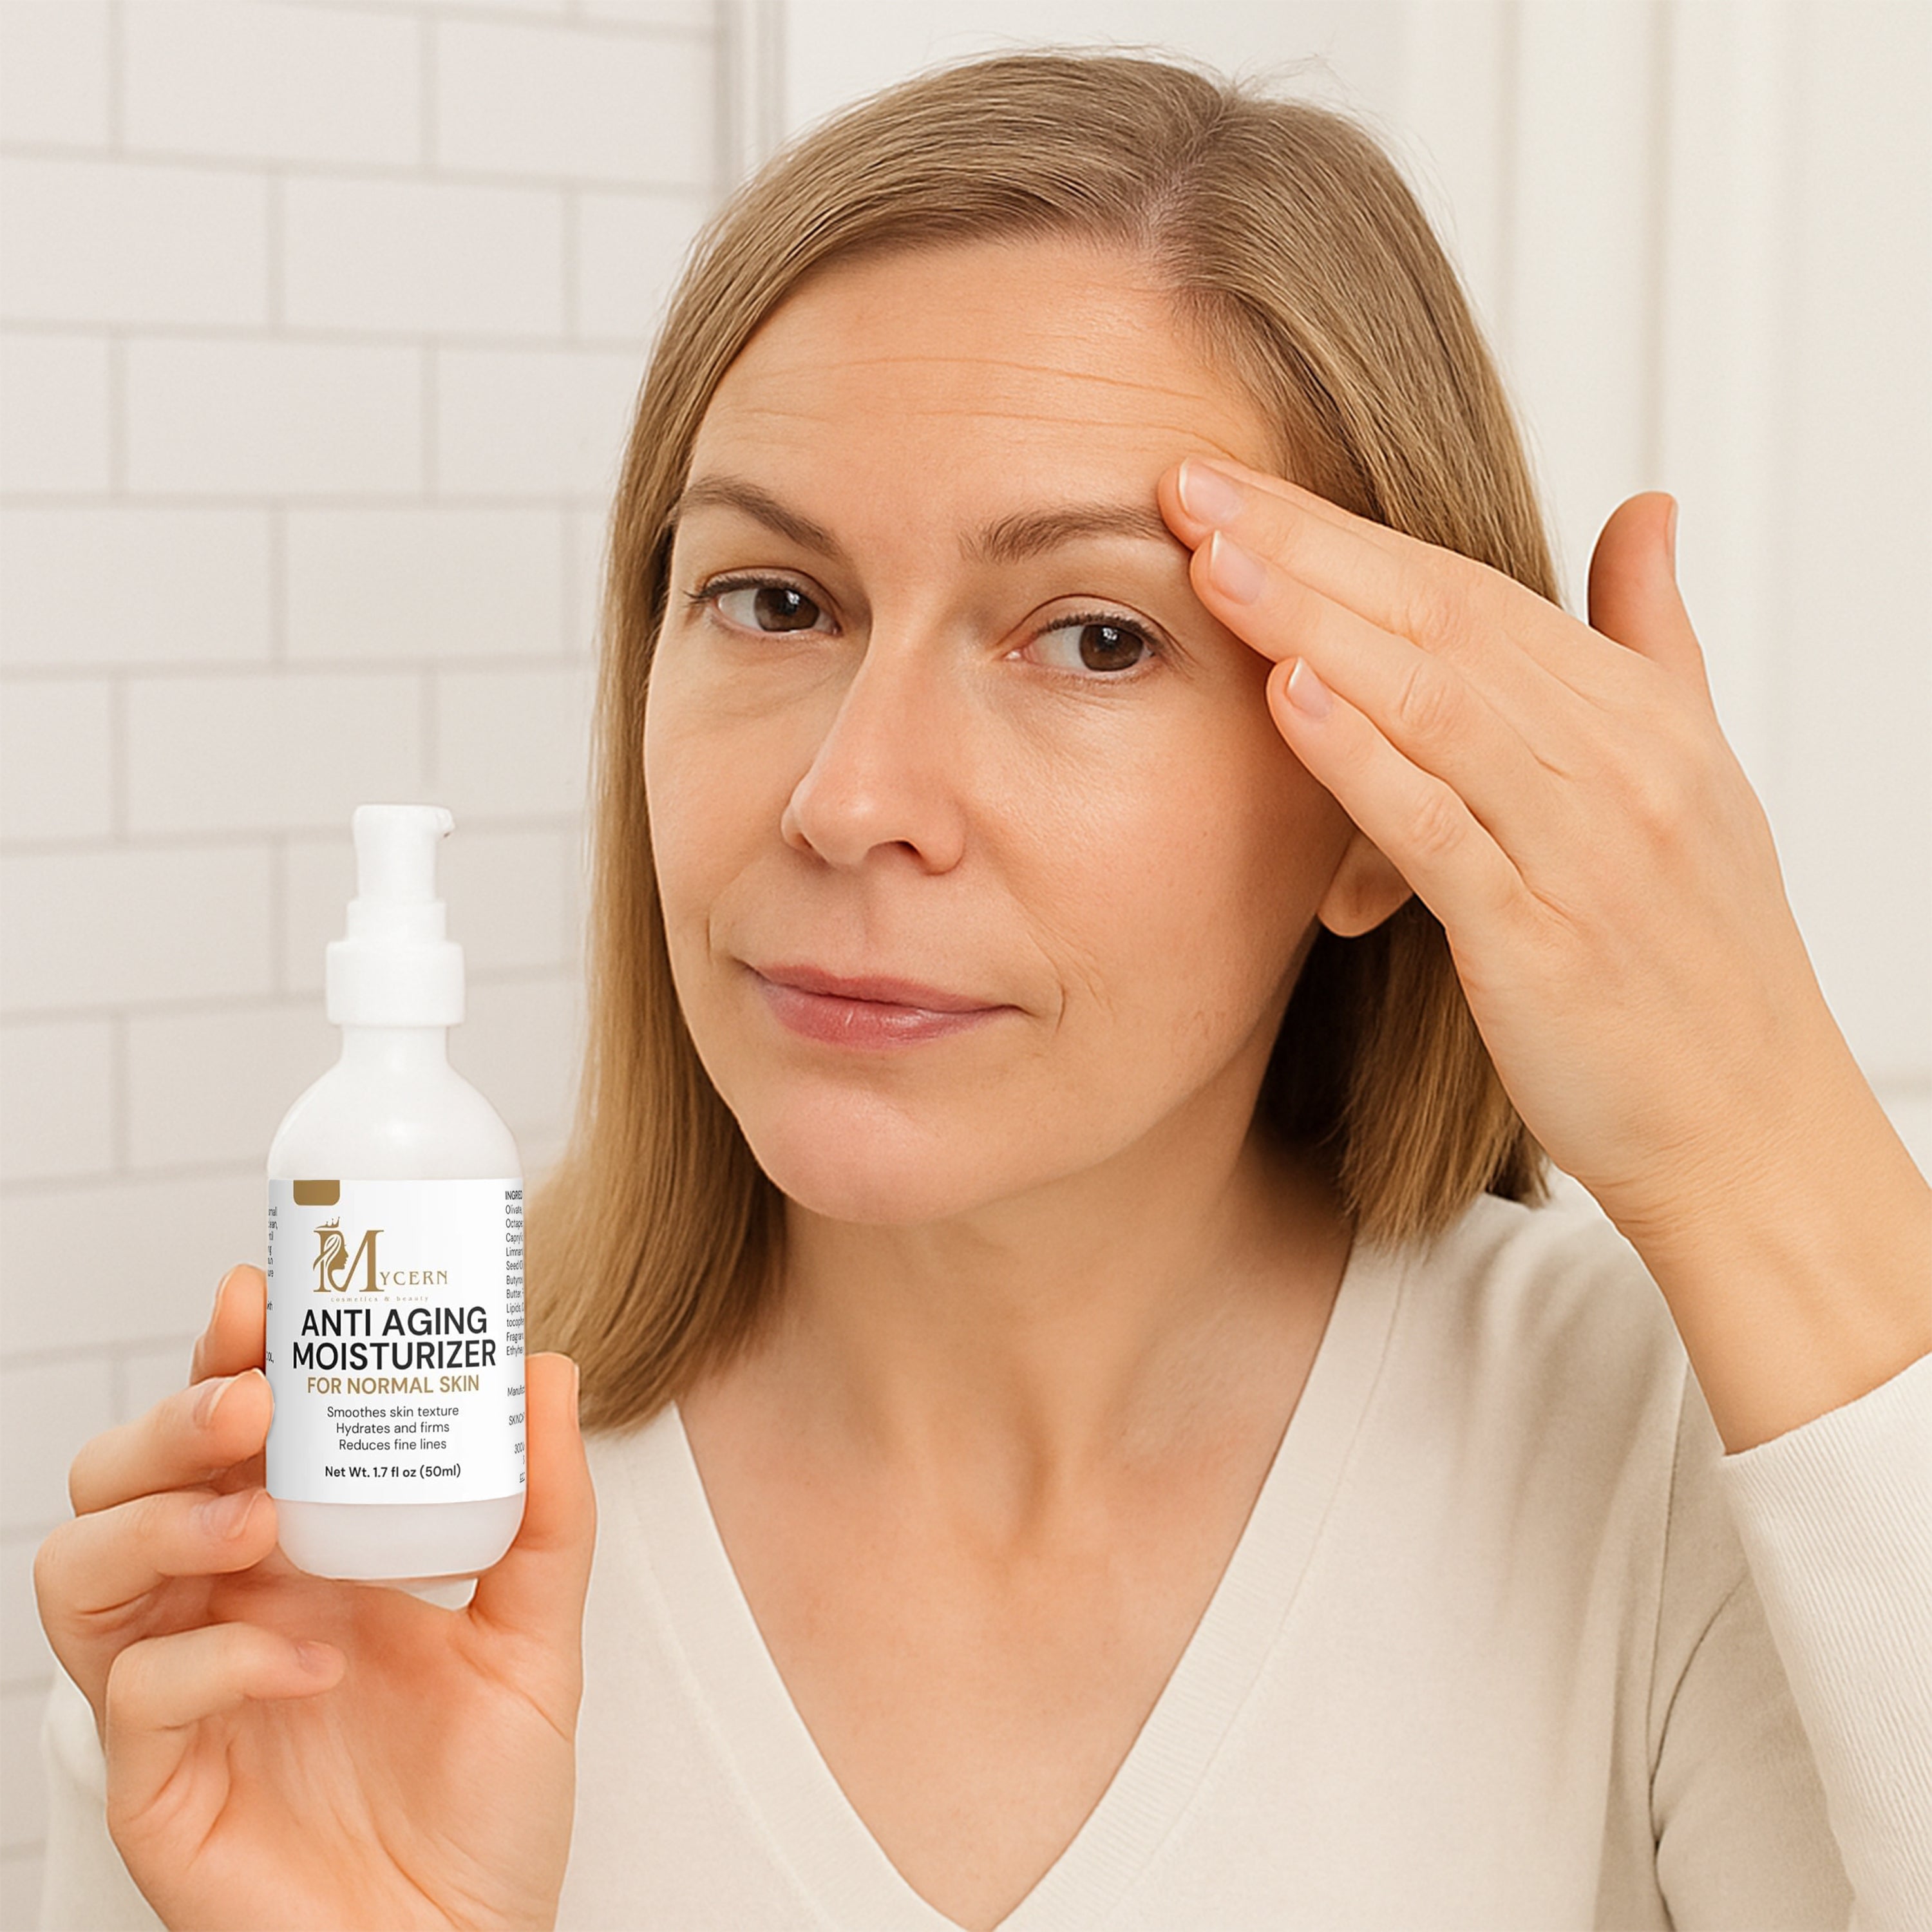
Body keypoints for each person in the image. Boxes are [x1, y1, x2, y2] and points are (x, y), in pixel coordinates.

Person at [33, 48, 1931, 1932]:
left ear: (1384, 806)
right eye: (775, 600)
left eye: (1093, 637)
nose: (847, 799)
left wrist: (1771, 1144)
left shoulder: (1686, 1479)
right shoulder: (323, 1578)